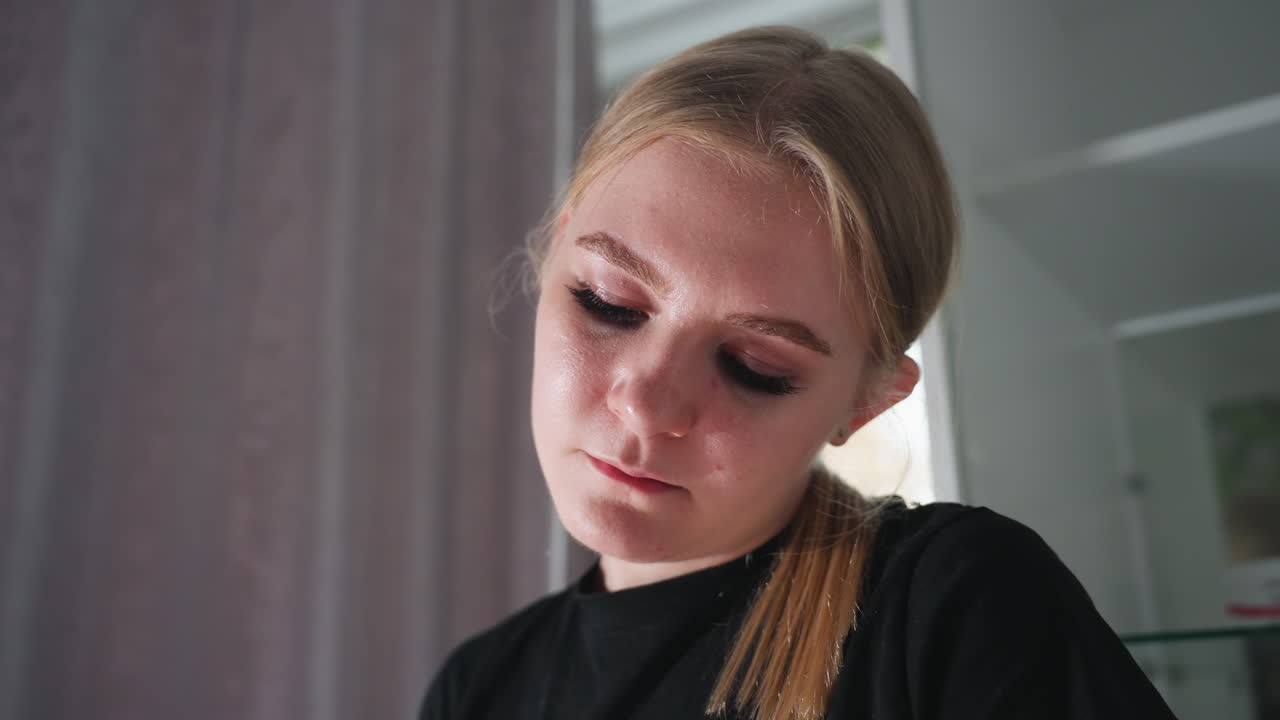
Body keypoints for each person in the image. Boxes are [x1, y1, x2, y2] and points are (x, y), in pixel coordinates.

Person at [420, 26, 1176, 720]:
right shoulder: (476, 689)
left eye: (754, 367)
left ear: (865, 404)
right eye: (608, 304)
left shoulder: (956, 608)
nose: (647, 403)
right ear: (554, 254)